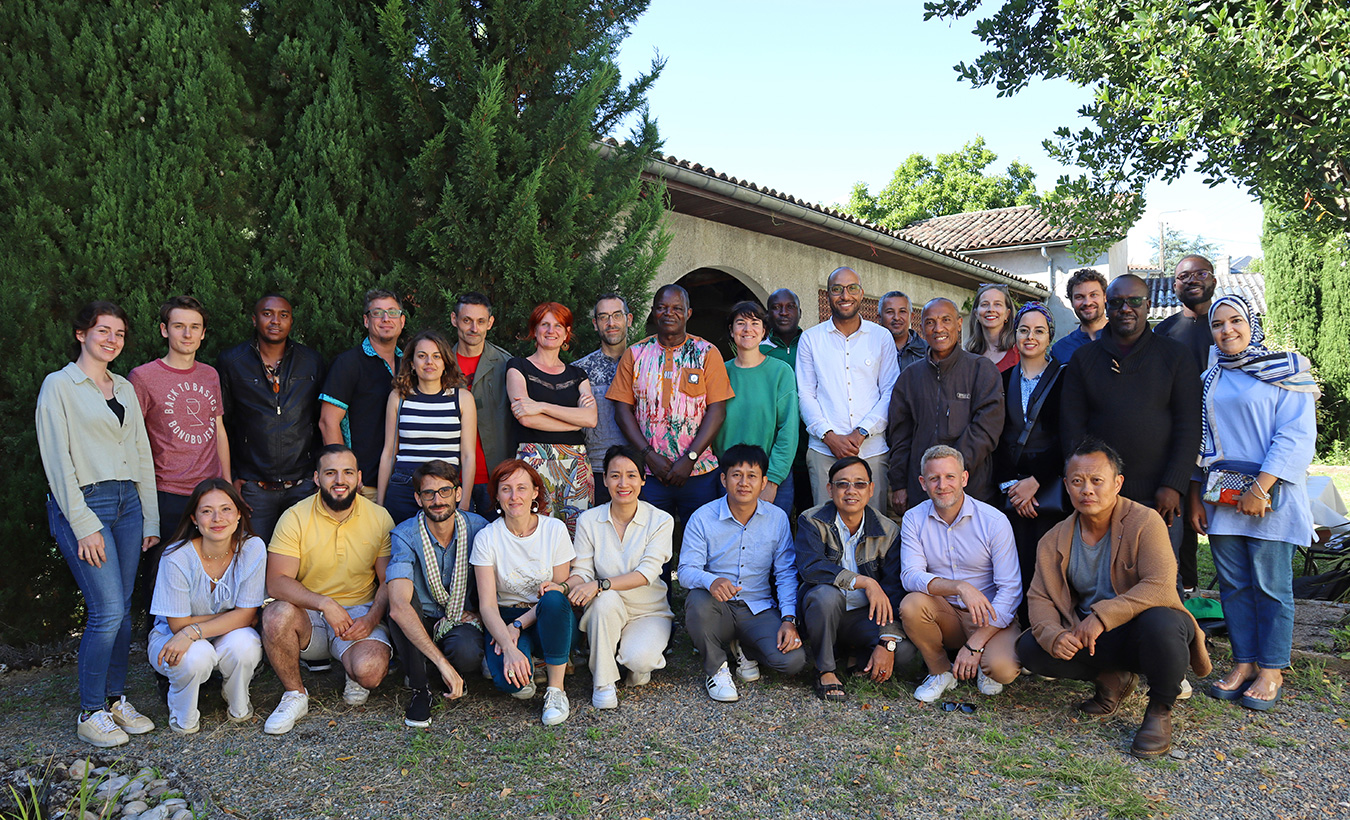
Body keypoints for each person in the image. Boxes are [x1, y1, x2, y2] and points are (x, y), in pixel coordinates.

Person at [1017, 439, 1212, 759]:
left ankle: (1160, 710)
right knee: (1030, 647)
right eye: (1077, 481)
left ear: (1117, 483)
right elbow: (1039, 598)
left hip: (1141, 633)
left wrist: (1102, 616)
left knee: (1164, 621)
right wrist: (1055, 635)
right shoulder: (1053, 538)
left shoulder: (1145, 521)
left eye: (1097, 481)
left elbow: (1160, 585)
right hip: (1091, 639)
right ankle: (1112, 678)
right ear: (1066, 485)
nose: (1087, 490)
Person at [37, 301, 159, 747]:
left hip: (128, 504)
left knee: (124, 610)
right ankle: (89, 712)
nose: (111, 340)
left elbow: (142, 454)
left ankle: (114, 700)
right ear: (81, 334)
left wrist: (149, 516)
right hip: (85, 504)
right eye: (103, 331)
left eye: (119, 333)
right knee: (106, 610)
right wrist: (82, 523)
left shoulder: (124, 387)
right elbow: (57, 460)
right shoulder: (59, 386)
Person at [1189, 295, 1318, 711]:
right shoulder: (1211, 377)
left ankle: (1272, 668)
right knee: (1235, 587)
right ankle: (1244, 663)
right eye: (1218, 324)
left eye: (1236, 321)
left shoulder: (1285, 371)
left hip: (1269, 494)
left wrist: (1259, 488)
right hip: (1224, 494)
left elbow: (1295, 435)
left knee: (1271, 586)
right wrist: (1197, 493)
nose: (1227, 330)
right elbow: (1200, 441)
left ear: (1252, 323)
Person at [1060, 274, 1201, 570]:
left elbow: (1189, 427)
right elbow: (1072, 429)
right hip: (1101, 497)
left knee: (1159, 580)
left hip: (1160, 497)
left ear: (1148, 305)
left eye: (1134, 301)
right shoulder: (1084, 359)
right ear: (1107, 308)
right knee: (1102, 578)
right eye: (1117, 302)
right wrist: (1090, 486)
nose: (1126, 308)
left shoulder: (1175, 356)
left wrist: (1173, 485)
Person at [260, 445, 394, 735]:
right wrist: (324, 603)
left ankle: (353, 669)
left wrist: (370, 620)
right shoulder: (295, 516)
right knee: (275, 614)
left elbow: (388, 581)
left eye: (347, 472)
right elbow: (277, 581)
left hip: (358, 615)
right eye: (330, 473)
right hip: (310, 617)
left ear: (359, 478)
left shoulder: (379, 517)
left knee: (370, 672)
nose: (339, 480)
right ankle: (295, 695)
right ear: (317, 478)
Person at [608, 284, 732, 587]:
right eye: (662, 307)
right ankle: (656, 611)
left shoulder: (706, 353)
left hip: (699, 472)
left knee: (704, 546)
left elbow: (717, 411)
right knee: (650, 546)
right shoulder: (635, 354)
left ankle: (701, 610)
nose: (669, 313)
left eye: (677, 308)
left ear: (688, 313)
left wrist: (689, 458)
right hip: (650, 474)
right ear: (654, 311)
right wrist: (649, 456)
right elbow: (622, 411)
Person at [129, 295, 231, 636]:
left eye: (194, 327)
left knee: (208, 574)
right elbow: (134, 438)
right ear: (164, 330)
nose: (187, 334)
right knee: (161, 574)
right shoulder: (143, 377)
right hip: (165, 492)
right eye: (178, 326)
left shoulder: (210, 375)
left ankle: (208, 647)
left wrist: (227, 486)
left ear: (203, 334)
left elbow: (218, 430)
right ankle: (162, 656)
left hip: (208, 493)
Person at [679, 445, 807, 702]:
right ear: (724, 479)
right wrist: (711, 580)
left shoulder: (777, 518)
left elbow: (785, 573)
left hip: (758, 608)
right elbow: (685, 571)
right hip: (717, 605)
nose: (744, 482)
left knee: (793, 661)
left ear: (764, 482)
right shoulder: (703, 518)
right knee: (697, 601)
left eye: (752, 476)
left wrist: (789, 620)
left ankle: (742, 646)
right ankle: (717, 668)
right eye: (736, 475)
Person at [899, 446, 1022, 703]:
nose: (942, 485)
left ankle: (983, 662)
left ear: (964, 478)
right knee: (911, 604)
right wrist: (959, 587)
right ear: (923, 483)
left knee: (1002, 670)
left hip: (990, 615)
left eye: (950, 477)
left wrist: (976, 642)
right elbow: (910, 575)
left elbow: (1011, 590)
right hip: (948, 613)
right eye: (934, 478)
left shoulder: (994, 521)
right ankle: (940, 671)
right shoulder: (913, 518)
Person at [148, 479, 265, 734]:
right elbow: (177, 625)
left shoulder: (253, 548)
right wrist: (229, 617)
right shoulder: (176, 557)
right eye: (206, 511)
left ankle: (237, 698)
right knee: (196, 655)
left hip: (216, 634)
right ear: (194, 518)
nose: (217, 518)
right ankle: (183, 713)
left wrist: (194, 629)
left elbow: (247, 615)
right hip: (171, 639)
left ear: (238, 516)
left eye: (226, 509)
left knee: (245, 644)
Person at [564, 446, 675, 709]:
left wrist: (600, 584)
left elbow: (647, 574)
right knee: (605, 600)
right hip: (608, 608)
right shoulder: (589, 520)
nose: (623, 483)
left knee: (639, 661)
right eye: (615, 476)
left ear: (643, 479)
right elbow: (581, 572)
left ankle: (627, 655)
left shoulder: (661, 520)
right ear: (604, 480)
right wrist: (565, 586)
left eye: (631, 475)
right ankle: (603, 683)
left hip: (649, 611)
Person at [795, 456, 912, 703]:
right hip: (822, 611)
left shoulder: (888, 531)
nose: (851, 491)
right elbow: (811, 568)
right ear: (830, 489)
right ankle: (825, 669)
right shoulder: (811, 520)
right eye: (842, 484)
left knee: (904, 655)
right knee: (826, 595)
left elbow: (893, 589)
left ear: (871, 489)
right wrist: (865, 582)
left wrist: (887, 640)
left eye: (860, 484)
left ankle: (853, 654)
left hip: (863, 616)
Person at [386, 460, 491, 728]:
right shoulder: (405, 535)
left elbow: (496, 583)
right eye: (428, 493)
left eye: (445, 491)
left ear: (458, 493)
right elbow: (398, 605)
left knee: (467, 653)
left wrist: (479, 612)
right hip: (422, 617)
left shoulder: (479, 528)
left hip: (460, 617)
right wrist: (443, 664)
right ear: (418, 499)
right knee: (402, 601)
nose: (437, 500)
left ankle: (423, 664)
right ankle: (421, 689)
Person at [471, 459, 577, 726]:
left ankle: (556, 690)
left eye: (521, 488)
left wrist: (519, 624)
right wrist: (508, 645)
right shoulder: (487, 537)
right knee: (511, 684)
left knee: (553, 598)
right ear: (496, 495)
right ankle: (530, 662)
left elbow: (559, 592)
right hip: (504, 617)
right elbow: (486, 606)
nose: (514, 496)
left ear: (535, 493)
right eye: (506, 489)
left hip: (549, 615)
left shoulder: (554, 529)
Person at [217, 295, 325, 541]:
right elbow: (224, 424)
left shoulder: (311, 361)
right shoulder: (232, 361)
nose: (275, 321)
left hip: (302, 484)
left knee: (302, 560)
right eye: (267, 314)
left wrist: (319, 473)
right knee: (253, 558)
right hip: (254, 487)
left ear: (291, 321)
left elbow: (320, 421)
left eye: (283, 315)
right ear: (254, 320)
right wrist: (232, 477)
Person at [887, 298, 1005, 512]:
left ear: (959, 324)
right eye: (930, 322)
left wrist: (951, 471)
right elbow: (899, 436)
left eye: (946, 320)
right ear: (921, 327)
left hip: (972, 488)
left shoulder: (981, 370)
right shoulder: (909, 377)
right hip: (922, 490)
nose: (938, 328)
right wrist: (899, 484)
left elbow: (987, 428)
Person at [797, 267, 899, 510]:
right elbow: (806, 394)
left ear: (861, 293)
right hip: (824, 451)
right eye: (837, 289)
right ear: (828, 295)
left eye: (852, 288)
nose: (845, 295)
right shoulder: (811, 339)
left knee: (873, 530)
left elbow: (890, 391)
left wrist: (861, 432)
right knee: (826, 529)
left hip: (871, 450)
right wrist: (829, 436)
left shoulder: (881, 337)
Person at [993, 302, 1068, 618]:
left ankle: (1050, 625)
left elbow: (1068, 436)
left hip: (1048, 485)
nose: (1030, 337)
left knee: (1049, 560)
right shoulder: (1002, 378)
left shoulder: (1065, 378)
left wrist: (1035, 482)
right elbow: (995, 437)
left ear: (1049, 336)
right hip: (1011, 487)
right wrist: (1013, 486)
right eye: (1024, 330)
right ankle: (1017, 625)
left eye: (1039, 331)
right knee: (1014, 560)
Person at [506, 302, 597, 536]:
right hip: (534, 459)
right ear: (534, 330)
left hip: (575, 462)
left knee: (579, 532)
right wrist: (575, 420)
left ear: (566, 333)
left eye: (558, 325)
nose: (551, 330)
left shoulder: (578, 375)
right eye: (544, 324)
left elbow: (591, 418)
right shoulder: (518, 367)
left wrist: (541, 406)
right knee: (536, 531)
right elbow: (526, 418)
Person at [1157, 255, 1219, 592]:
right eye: (1184, 275)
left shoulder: (1228, 321)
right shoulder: (1164, 332)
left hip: (1227, 445)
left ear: (1213, 279)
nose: (1192, 279)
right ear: (1174, 284)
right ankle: (1190, 598)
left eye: (1200, 273)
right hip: (1180, 444)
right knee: (1180, 533)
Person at [375, 330, 477, 524]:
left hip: (446, 488)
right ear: (412, 364)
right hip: (405, 486)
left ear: (445, 362)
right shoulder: (399, 397)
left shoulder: (462, 399)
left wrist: (463, 502)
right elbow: (389, 453)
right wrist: (380, 504)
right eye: (422, 356)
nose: (429, 362)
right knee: (403, 549)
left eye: (436, 356)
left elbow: (468, 456)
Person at [713, 301, 800, 519]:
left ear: (764, 331)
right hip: (729, 476)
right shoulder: (719, 372)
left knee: (772, 546)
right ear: (732, 331)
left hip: (770, 475)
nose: (747, 329)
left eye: (754, 323)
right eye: (740, 323)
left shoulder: (781, 372)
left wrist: (771, 479)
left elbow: (788, 429)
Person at [319, 289, 405, 500]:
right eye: (377, 313)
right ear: (366, 321)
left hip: (403, 484)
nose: (386, 319)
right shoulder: (348, 363)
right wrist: (346, 476)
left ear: (402, 321)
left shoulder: (410, 364)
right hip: (363, 486)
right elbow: (327, 422)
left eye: (392, 312)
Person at [451, 292, 512, 518]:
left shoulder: (506, 365)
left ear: (490, 323)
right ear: (454, 319)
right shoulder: (439, 363)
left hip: (494, 476)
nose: (474, 328)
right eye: (467, 320)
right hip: (450, 478)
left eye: (480, 321)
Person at [574, 294, 635, 505]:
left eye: (617, 315)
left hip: (642, 471)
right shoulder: (579, 370)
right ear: (595, 323)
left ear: (629, 319)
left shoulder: (646, 363)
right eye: (603, 317)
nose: (611, 323)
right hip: (597, 471)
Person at [760, 287, 812, 518]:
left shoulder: (813, 345)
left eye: (789, 307)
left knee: (810, 516)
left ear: (799, 312)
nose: (783, 312)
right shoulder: (759, 351)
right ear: (768, 314)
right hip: (776, 452)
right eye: (776, 308)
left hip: (813, 447)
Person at [1049, 268, 1109, 364]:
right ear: (1071, 302)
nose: (1087, 303)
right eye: (1079, 297)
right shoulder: (1060, 350)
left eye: (1093, 295)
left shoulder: (1125, 339)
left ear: (1105, 297)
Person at [964, 283, 1019, 373]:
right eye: (985, 304)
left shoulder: (1018, 353)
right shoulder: (966, 356)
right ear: (976, 313)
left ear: (1007, 314)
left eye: (997, 304)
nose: (991, 309)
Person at [879, 290, 929, 372]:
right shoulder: (869, 348)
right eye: (890, 312)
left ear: (911, 316)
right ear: (879, 317)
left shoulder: (928, 351)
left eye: (902, 311)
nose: (896, 317)